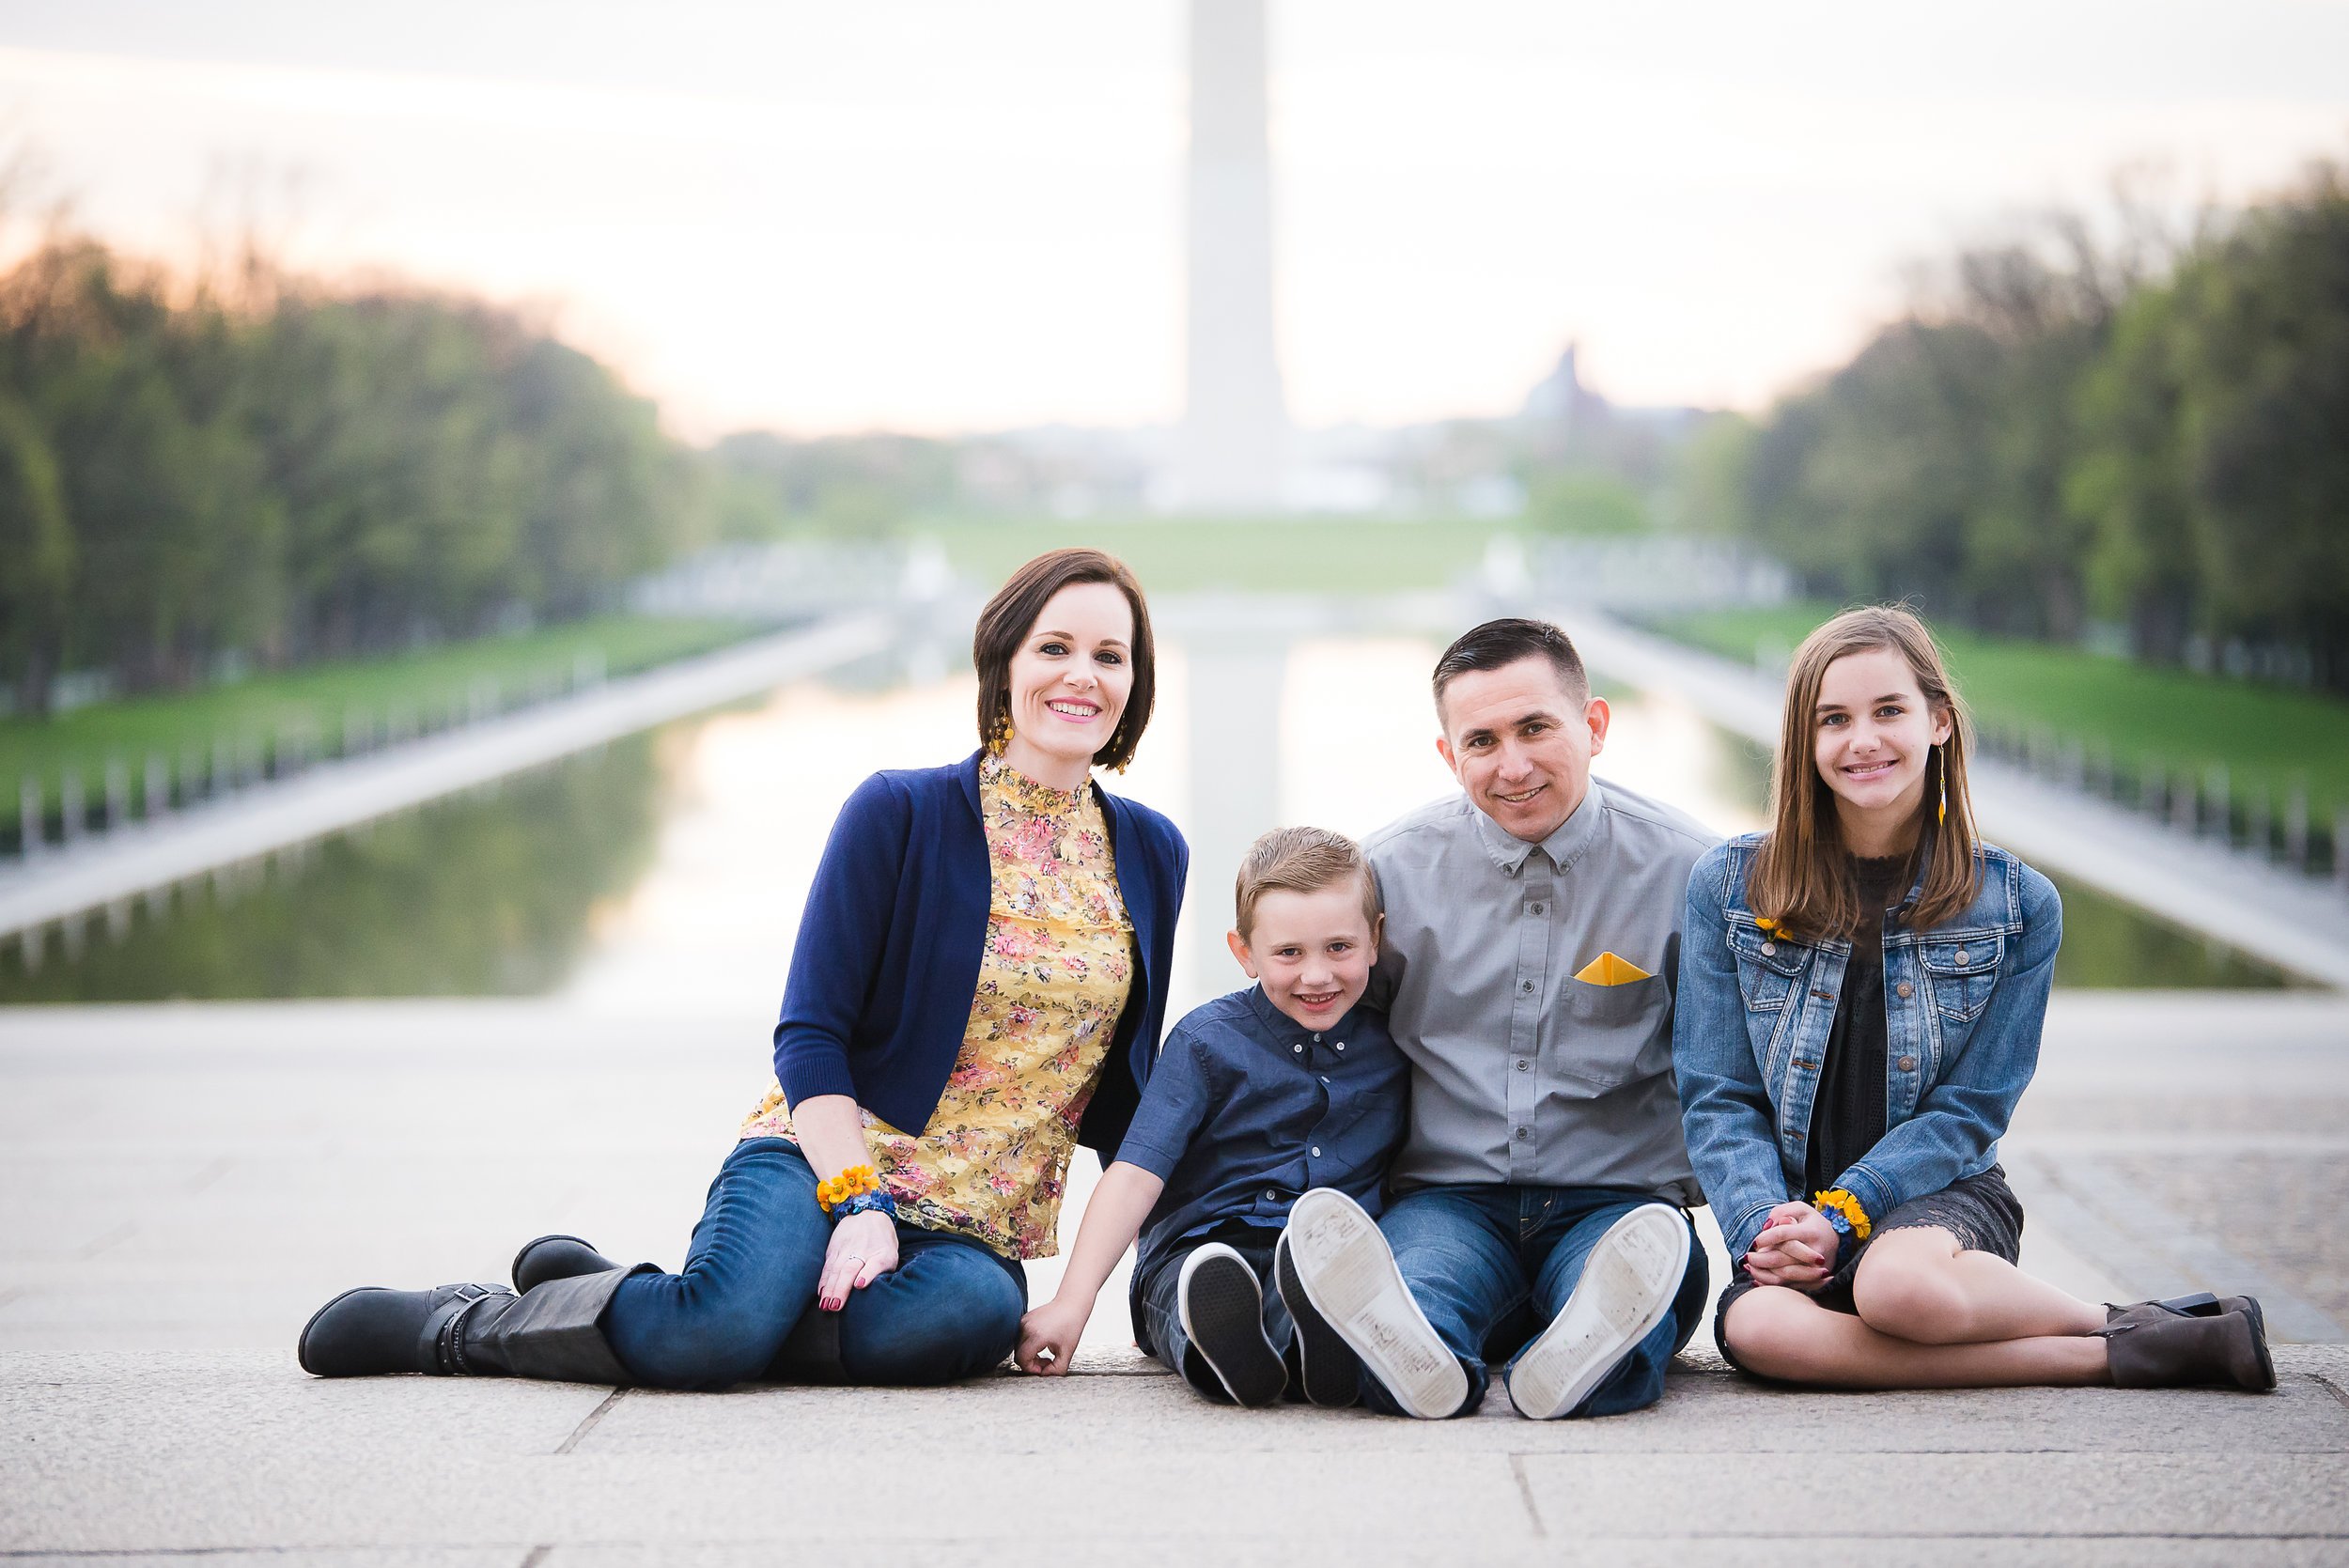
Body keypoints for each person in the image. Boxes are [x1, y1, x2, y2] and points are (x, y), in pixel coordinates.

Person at [296, 549, 1188, 1389]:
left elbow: (1130, 1106)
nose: (1083, 675)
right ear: (1005, 661)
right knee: (714, 1334)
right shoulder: (900, 811)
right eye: (1056, 647)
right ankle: (468, 1321)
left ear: (1134, 684)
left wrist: (1087, 1293)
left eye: (1110, 655)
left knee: (966, 1320)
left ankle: (648, 1298)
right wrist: (859, 1202)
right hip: (825, 1158)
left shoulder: (1152, 851)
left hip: (969, 1226)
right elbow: (811, 1035)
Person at [1674, 605, 2273, 1392]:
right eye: (1834, 719)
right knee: (1756, 1327)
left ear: (1940, 722)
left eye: (1889, 710)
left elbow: (1973, 1108)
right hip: (1790, 1216)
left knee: (1897, 1290)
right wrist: (1763, 1228)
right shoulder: (1729, 886)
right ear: (1804, 739)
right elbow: (1718, 1095)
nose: (1863, 740)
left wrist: (1848, 1211)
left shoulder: (2020, 904)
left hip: (1939, 1199)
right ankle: (2131, 1342)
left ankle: (2110, 1321)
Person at [1280, 617, 1717, 1421]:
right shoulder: (1387, 876)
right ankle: (1433, 1355)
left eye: (1536, 728)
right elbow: (1320, 1040)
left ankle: (1586, 1351)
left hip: (1617, 1205)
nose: (1512, 766)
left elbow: (1731, 1077)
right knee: (1410, 1303)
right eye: (1481, 741)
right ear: (1449, 755)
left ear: (1595, 726)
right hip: (1451, 1202)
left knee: (1637, 1294)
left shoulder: (1692, 873)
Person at [1014, 826, 1407, 1406]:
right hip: (1202, 1250)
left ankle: (1314, 1347)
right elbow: (1134, 1175)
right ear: (1244, 953)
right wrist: (1074, 1301)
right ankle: (1226, 1353)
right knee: (1196, 1293)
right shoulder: (1206, 1042)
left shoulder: (1392, 1045)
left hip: (1318, 1254)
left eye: (1339, 948)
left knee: (1313, 1285)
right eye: (1289, 953)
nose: (1317, 975)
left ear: (1374, 941)